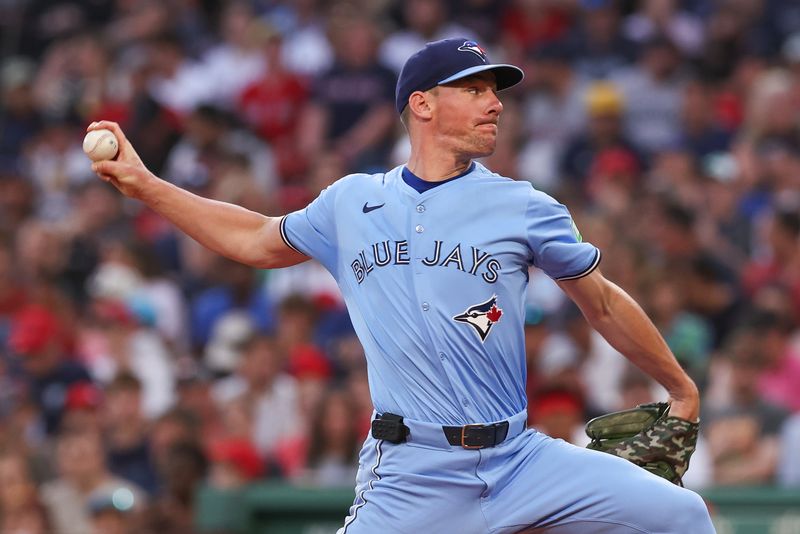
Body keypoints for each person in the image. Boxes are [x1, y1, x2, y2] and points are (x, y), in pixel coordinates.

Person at [88, 37, 714, 533]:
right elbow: (256, 240)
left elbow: (601, 302)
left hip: (521, 459)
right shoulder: (351, 201)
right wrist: (146, 185)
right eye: (473, 89)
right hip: (412, 472)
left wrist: (679, 386)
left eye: (495, 90)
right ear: (422, 103)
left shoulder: (524, 205)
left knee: (681, 516)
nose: (494, 102)